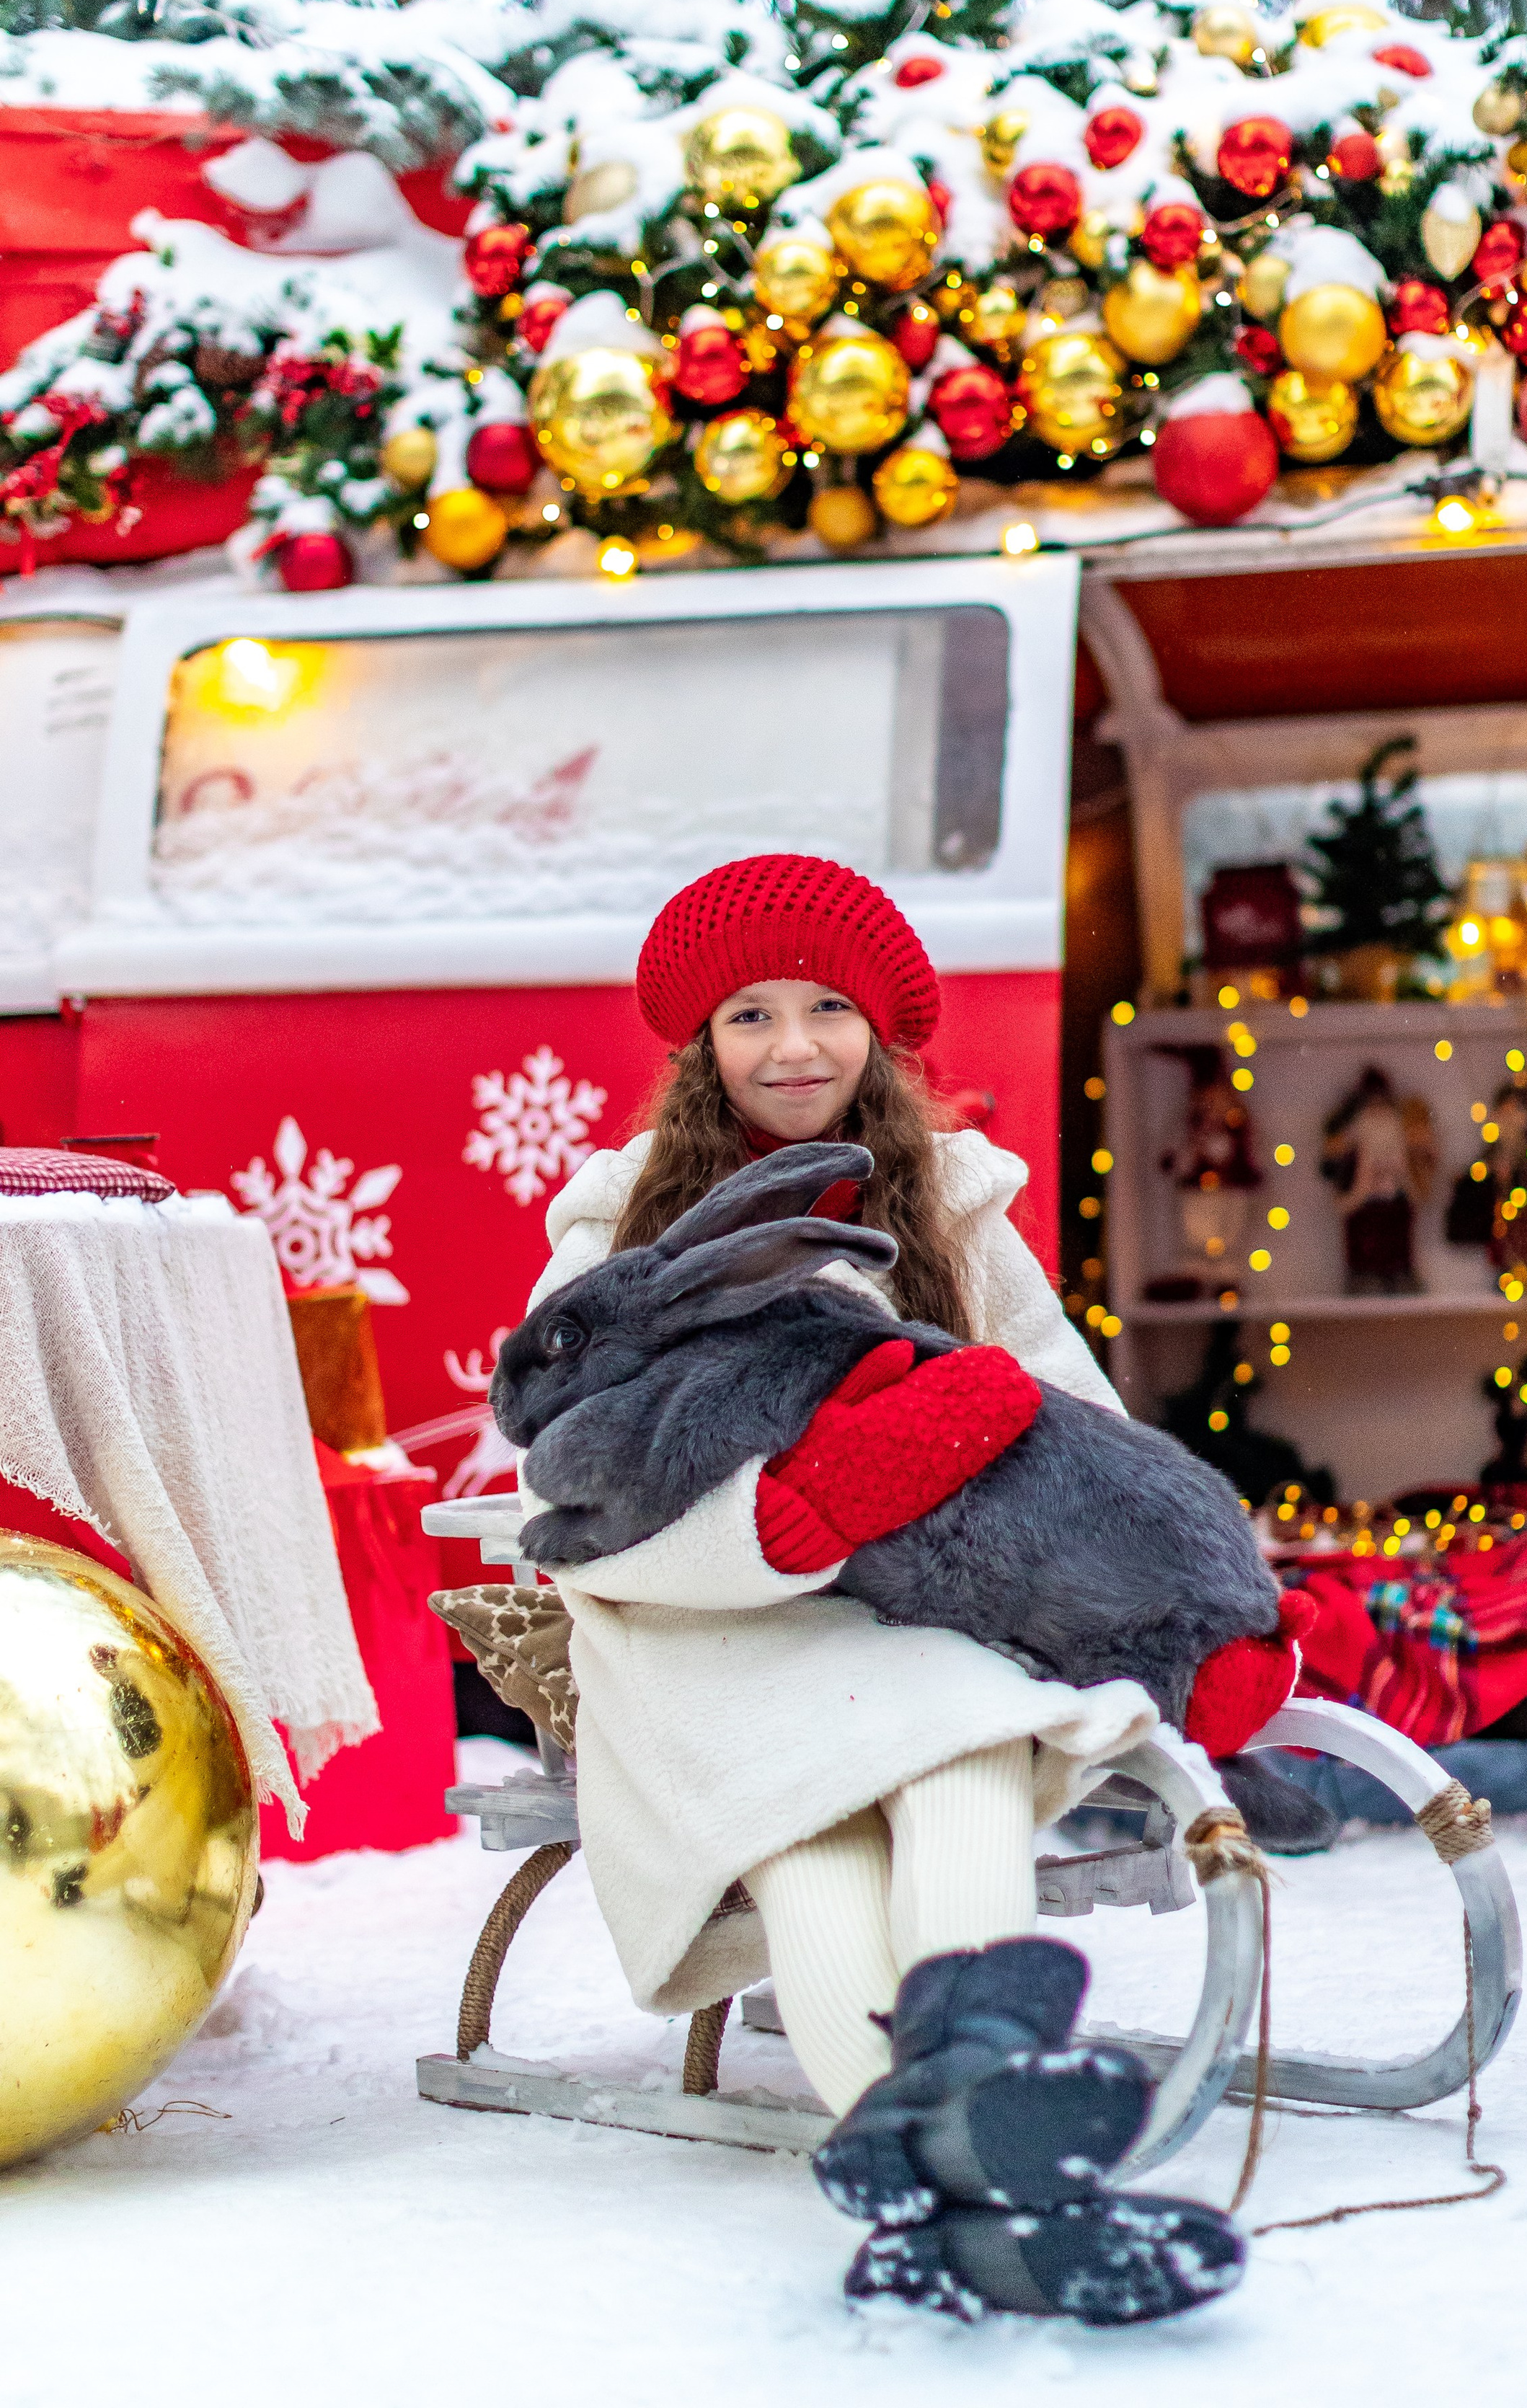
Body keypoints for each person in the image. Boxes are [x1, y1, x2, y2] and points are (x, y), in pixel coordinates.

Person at [526, 853, 1253, 2324]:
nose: (791, 1047)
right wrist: (783, 1524)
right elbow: (575, 1483)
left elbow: (1069, 1416)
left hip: (915, 1618)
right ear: (695, 1042)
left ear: (879, 1028)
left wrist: (1174, 1586)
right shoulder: (615, 1225)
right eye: (747, 1015)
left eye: (823, 1009)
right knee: (810, 1838)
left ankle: (957, 2143)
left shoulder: (957, 1202)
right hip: (702, 1628)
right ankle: (988, 2173)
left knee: (965, 1759)